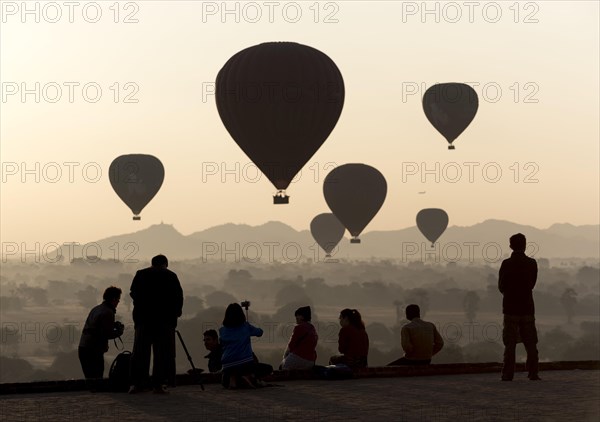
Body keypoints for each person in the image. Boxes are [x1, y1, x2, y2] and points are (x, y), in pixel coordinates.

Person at [128, 254, 184, 394]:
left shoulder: (141, 274)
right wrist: (175, 314)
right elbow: (178, 298)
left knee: (141, 353)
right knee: (163, 354)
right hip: (165, 321)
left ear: (152, 263)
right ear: (166, 264)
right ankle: (159, 384)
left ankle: (138, 383)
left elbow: (133, 294)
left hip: (144, 320)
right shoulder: (171, 276)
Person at [498, 233, 540, 381]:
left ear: (510, 246)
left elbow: (501, 286)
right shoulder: (532, 263)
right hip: (527, 308)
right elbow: (532, 284)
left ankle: (507, 373)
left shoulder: (506, 264)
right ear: (525, 245)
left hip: (510, 309)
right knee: (530, 342)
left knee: (510, 344)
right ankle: (533, 372)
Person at [78, 286, 124, 391]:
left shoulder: (96, 308)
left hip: (83, 347)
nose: (118, 303)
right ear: (113, 299)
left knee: (90, 381)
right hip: (93, 350)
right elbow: (106, 334)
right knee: (97, 380)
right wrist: (119, 332)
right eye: (118, 300)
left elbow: (96, 328)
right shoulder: (108, 312)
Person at [219, 303, 269, 389]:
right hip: (245, 363)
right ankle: (247, 376)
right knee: (267, 368)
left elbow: (222, 344)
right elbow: (260, 332)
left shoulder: (222, 330)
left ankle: (233, 381)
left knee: (229, 374)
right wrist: (249, 328)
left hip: (227, 364)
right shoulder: (245, 326)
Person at [280, 306, 318, 370]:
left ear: (303, 317)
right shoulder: (312, 328)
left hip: (298, 358)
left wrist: (284, 358)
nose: (296, 317)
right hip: (310, 362)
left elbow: (291, 345)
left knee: (282, 367)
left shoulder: (299, 328)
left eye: (298, 315)